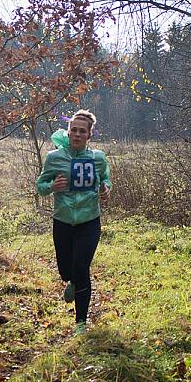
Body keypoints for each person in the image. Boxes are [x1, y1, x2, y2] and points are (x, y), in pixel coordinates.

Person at [35, 109, 111, 335]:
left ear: (89, 135)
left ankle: (81, 323)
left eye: (82, 131)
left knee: (81, 268)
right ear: (68, 133)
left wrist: (106, 190)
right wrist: (51, 187)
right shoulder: (54, 158)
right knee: (66, 271)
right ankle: (70, 281)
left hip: (89, 221)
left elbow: (105, 179)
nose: (77, 134)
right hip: (63, 221)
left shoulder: (98, 158)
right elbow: (40, 186)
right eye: (73, 130)